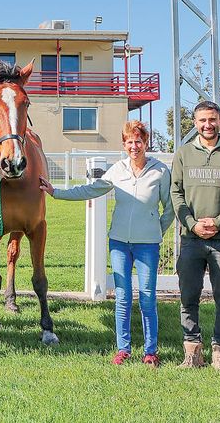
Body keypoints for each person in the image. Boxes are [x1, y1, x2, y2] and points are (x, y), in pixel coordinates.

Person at [41, 120, 173, 366]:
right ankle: (123, 349)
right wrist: (55, 191)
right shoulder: (117, 170)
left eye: (139, 141)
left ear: (146, 143)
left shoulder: (161, 171)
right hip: (119, 243)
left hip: (148, 245)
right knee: (122, 297)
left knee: (147, 296)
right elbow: (90, 190)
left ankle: (150, 351)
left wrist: (156, 231)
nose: (134, 146)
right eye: (130, 142)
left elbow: (169, 209)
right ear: (124, 145)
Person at [170, 100, 220, 373]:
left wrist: (219, 222)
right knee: (188, 297)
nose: (208, 125)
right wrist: (192, 224)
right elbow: (176, 194)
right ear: (195, 123)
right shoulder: (183, 154)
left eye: (212, 119)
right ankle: (192, 352)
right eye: (202, 120)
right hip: (191, 239)